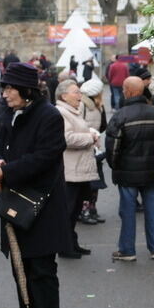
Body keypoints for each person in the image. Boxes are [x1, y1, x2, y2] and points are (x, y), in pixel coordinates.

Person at [0, 62, 71, 308]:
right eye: (4, 88)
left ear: (25, 89)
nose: (5, 93)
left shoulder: (49, 116)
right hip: (14, 204)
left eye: (9, 88)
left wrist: (7, 170)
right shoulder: (8, 114)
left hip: (42, 207)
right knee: (20, 270)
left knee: (42, 273)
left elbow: (46, 157)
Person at [105, 77, 154, 262]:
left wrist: (114, 165)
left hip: (127, 171)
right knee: (151, 209)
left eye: (124, 89)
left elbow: (112, 146)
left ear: (129, 91)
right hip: (150, 170)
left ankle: (127, 250)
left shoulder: (121, 116)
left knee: (128, 211)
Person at [55, 79, 98, 257]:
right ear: (64, 95)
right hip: (70, 171)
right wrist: (90, 137)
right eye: (76, 92)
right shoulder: (61, 112)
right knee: (68, 210)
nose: (80, 95)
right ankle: (65, 247)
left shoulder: (74, 110)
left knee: (75, 209)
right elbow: (66, 139)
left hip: (79, 169)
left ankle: (72, 243)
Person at [79, 76, 107, 224]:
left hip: (94, 147)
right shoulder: (84, 105)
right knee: (87, 182)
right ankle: (84, 211)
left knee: (95, 181)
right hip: (86, 147)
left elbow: (103, 125)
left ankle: (92, 209)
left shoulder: (97, 105)